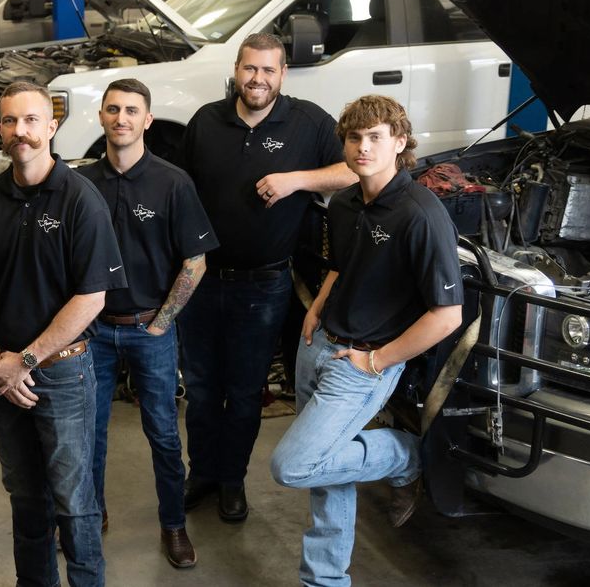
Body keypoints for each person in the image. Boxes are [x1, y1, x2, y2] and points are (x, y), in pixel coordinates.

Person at [269, 95, 464, 586]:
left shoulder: (421, 214)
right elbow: (342, 265)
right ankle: (325, 581)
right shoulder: (346, 201)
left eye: (376, 137)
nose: (363, 147)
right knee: (326, 471)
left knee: (294, 466)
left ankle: (405, 455)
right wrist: (314, 307)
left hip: (361, 363)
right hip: (318, 344)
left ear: (400, 143)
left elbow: (447, 316)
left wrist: (374, 362)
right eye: (355, 137)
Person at [0, 81, 127, 586]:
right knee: (25, 497)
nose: (20, 132)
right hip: (4, 376)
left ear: (51, 127)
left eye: (31, 121)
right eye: (10, 121)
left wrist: (23, 361)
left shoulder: (80, 201)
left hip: (62, 373)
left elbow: (92, 296)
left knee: (74, 500)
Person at [176, 32, 354, 522]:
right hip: (202, 280)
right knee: (202, 387)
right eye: (249, 69)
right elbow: (180, 190)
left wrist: (297, 179)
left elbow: (355, 169)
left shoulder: (307, 122)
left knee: (246, 389)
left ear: (282, 74)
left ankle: (232, 480)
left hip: (264, 285)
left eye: (267, 70)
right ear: (236, 69)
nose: (257, 79)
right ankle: (204, 473)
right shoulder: (206, 122)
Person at [78, 79, 217, 569]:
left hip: (148, 329)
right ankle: (89, 519)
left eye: (132, 111)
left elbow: (195, 262)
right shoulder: (83, 183)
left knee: (162, 432)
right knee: (88, 433)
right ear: (101, 116)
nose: (121, 119)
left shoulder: (172, 182)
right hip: (92, 333)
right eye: (113, 109)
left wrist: (161, 324)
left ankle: (173, 524)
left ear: (147, 120)